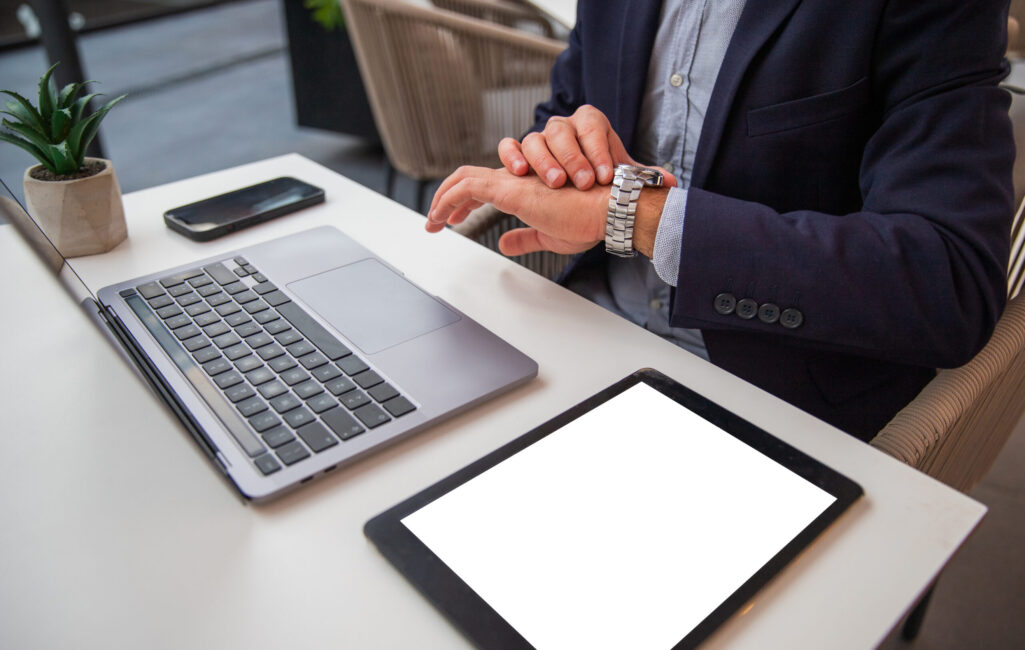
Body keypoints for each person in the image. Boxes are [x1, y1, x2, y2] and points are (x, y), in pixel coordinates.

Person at [424, 0, 1015, 441]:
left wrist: (638, 213)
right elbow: (567, 109)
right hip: (581, 337)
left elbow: (949, 279)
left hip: (776, 407)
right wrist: (557, 157)